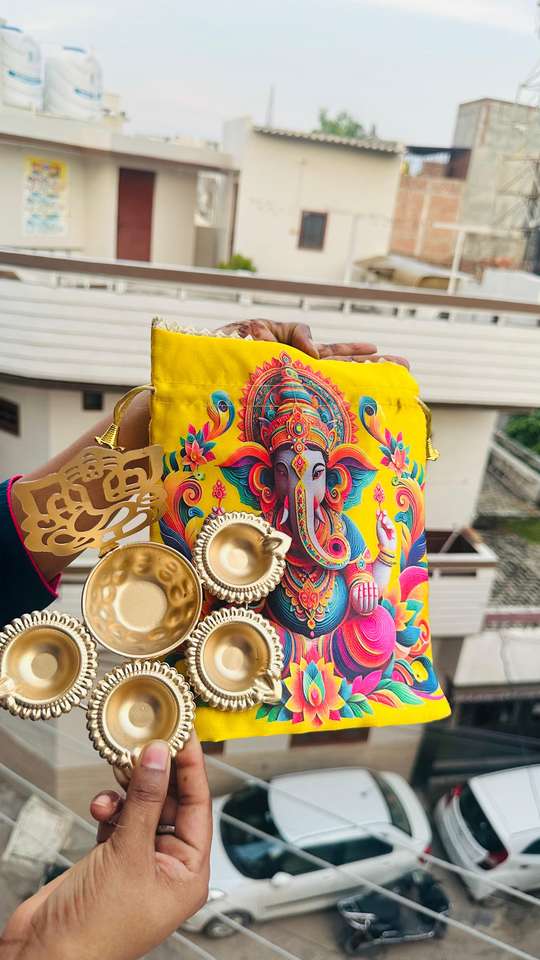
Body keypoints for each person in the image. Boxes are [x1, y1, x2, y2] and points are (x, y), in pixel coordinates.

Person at [0, 320, 407, 959]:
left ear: (337, 479)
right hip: (238, 621)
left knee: (375, 631)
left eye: (317, 476)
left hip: (307, 623)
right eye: (288, 475)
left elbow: (9, 550)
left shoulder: (342, 526)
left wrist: (157, 419)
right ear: (264, 478)